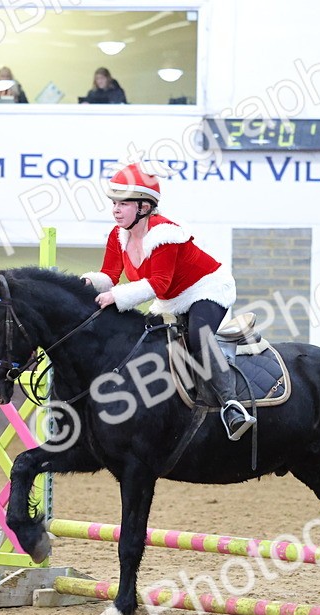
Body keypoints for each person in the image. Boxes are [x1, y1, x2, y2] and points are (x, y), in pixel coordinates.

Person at [81, 164, 255, 441]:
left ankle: (231, 406)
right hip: (170, 298)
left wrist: (117, 296)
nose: (115, 209)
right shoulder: (118, 235)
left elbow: (158, 283)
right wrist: (83, 286)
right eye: (114, 203)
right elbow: (109, 275)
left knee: (199, 337)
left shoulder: (165, 234)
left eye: (123, 204)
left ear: (145, 206)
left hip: (206, 287)